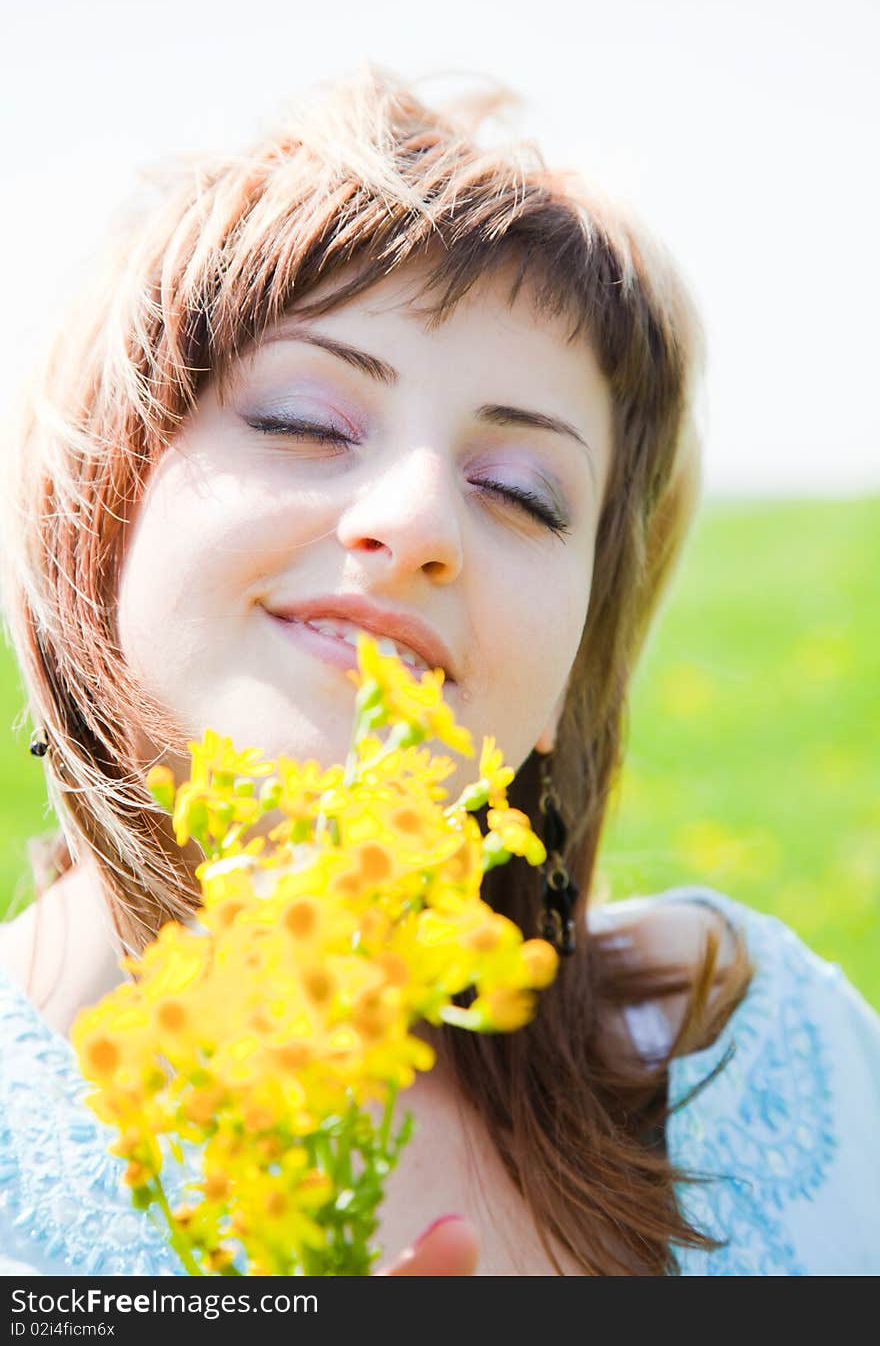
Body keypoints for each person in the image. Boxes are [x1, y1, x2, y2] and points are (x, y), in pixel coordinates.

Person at [0, 65, 877, 1278]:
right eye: (304, 418)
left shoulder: (745, 1043)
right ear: (98, 508)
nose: (414, 520)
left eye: (521, 493)